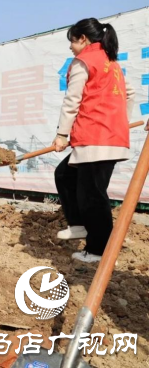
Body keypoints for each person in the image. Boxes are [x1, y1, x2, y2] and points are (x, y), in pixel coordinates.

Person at [54, 18, 135, 263]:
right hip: (108, 138)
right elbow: (129, 94)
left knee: (92, 196)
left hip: (95, 139)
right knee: (65, 175)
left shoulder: (84, 61)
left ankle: (99, 250)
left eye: (72, 41)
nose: (70, 47)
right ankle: (79, 225)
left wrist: (61, 134)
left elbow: (72, 100)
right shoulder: (111, 63)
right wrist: (120, 121)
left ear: (83, 39)